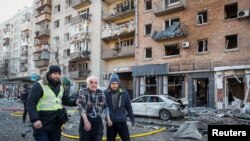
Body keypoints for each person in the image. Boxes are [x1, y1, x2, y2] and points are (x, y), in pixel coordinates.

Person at [26, 65, 78, 141]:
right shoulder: (39, 85)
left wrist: (76, 102)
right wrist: (35, 119)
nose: (57, 76)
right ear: (49, 74)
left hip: (56, 123)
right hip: (42, 123)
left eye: (59, 74)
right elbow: (31, 103)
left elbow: (65, 100)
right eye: (55, 73)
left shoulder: (61, 86)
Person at [78, 76, 110, 141]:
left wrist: (108, 118)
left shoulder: (101, 92)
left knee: (98, 139)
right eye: (91, 82)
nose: (94, 84)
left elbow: (105, 106)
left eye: (96, 83)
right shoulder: (83, 91)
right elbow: (81, 107)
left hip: (97, 121)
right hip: (86, 119)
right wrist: (86, 122)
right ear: (88, 84)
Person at [104, 73, 135, 141]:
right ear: (110, 83)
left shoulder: (124, 93)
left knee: (126, 139)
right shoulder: (105, 93)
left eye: (116, 83)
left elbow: (128, 107)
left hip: (121, 121)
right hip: (110, 123)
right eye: (113, 83)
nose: (115, 85)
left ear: (119, 83)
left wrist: (132, 118)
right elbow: (104, 107)